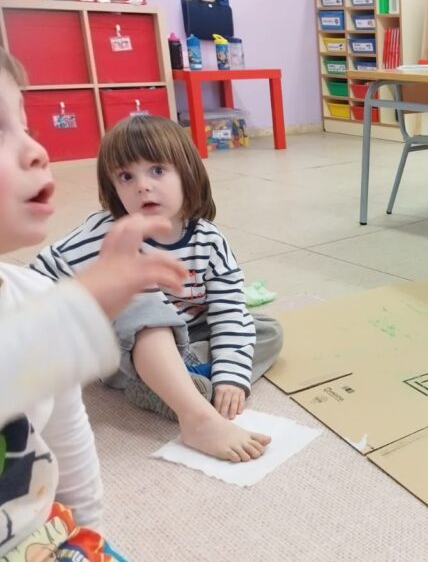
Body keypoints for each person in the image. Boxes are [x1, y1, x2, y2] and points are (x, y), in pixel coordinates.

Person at [0, 47, 187, 560]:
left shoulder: (34, 295)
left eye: (25, 126)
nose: (36, 150)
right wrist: (81, 311)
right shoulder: (73, 280)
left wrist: (87, 534)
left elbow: (66, 434)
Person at [33, 115, 283, 462]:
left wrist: (231, 377)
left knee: (266, 330)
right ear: (113, 188)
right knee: (142, 304)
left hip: (188, 338)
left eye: (157, 171)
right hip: (121, 349)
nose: (142, 186)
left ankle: (175, 385)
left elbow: (228, 311)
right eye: (126, 176)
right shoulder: (107, 233)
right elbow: (38, 274)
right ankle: (196, 415)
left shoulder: (209, 240)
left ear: (187, 173)